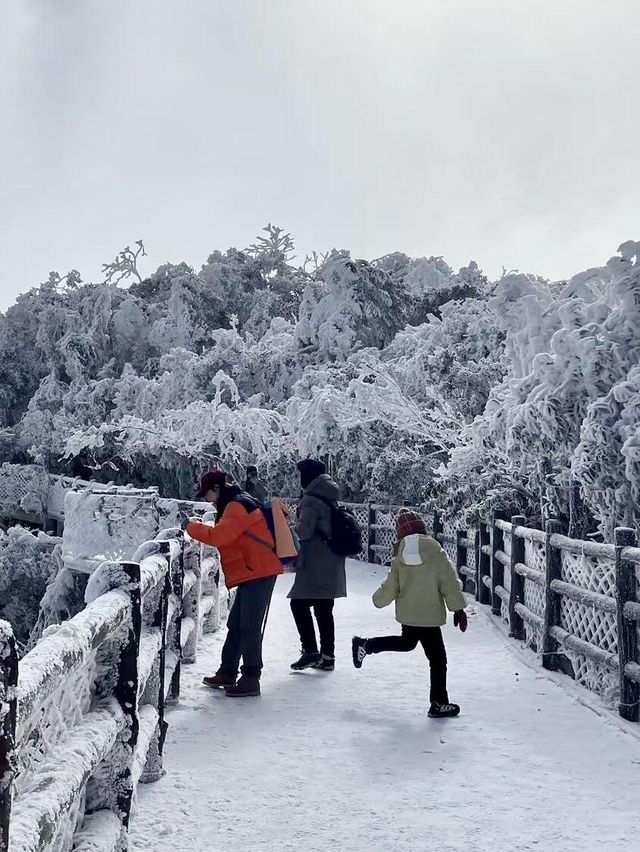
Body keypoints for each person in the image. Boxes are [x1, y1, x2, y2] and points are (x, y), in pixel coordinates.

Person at [352, 509, 467, 718]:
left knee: (407, 643)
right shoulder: (435, 552)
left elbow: (390, 587)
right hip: (430, 615)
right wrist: (458, 608)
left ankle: (366, 645)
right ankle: (439, 703)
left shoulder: (400, 555)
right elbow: (448, 583)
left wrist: (378, 599)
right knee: (438, 660)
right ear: (421, 528)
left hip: (409, 614)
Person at [183, 470, 283, 697]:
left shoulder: (236, 506)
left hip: (259, 571)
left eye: (207, 493)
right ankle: (227, 672)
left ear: (217, 488)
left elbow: (219, 536)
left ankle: (250, 678)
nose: (207, 499)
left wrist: (190, 527)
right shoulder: (238, 502)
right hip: (254, 570)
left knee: (248, 627)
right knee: (237, 624)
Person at [288, 459, 346, 672]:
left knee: (298, 604)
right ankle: (327, 657)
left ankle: (311, 650)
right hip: (331, 561)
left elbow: (303, 532)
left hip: (315, 563)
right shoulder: (329, 495)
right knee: (324, 609)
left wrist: (287, 523)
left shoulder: (311, 500)